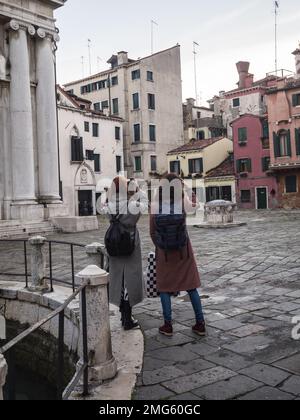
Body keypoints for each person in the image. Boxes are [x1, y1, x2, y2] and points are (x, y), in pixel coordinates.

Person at [150, 173, 206, 337]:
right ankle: (200, 324)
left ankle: (168, 326)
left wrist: (160, 246)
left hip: (164, 253)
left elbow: (152, 232)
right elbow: (195, 205)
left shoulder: (155, 204)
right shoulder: (182, 201)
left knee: (165, 289)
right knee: (191, 286)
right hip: (184, 251)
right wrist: (187, 188)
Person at [104, 176, 147, 331]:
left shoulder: (108, 205)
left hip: (114, 244)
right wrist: (137, 190)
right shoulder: (131, 205)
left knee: (119, 280)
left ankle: (123, 315)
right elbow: (145, 206)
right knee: (129, 281)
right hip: (129, 243)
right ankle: (127, 319)